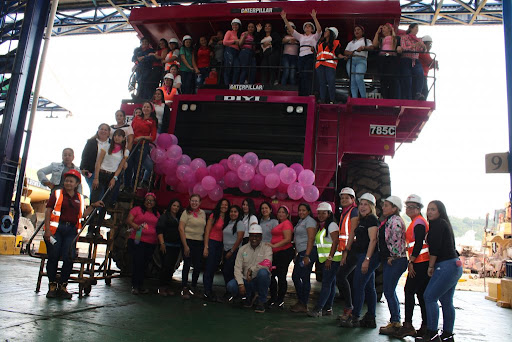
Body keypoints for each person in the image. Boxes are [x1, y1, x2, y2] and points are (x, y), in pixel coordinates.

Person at [44, 170, 104, 299]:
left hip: (71, 231)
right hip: (57, 230)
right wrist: (47, 230)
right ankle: (52, 285)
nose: (68, 183)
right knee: (53, 256)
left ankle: (63, 286)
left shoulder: (80, 198)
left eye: (71, 181)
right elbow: (48, 211)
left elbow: (82, 215)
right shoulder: (57, 194)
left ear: (77, 183)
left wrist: (93, 206)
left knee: (68, 257)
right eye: (66, 181)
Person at [420, 201, 462, 342]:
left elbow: (435, 249)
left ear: (440, 211)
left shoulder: (437, 225)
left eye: (433, 209)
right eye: (428, 209)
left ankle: (432, 334)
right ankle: (447, 335)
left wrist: (431, 267)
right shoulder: (444, 224)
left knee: (429, 297)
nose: (430, 212)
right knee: (445, 300)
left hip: (445, 266)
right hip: (454, 265)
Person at [340, 193, 380, 328]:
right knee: (369, 287)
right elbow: (353, 236)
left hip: (367, 256)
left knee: (358, 286)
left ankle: (355, 316)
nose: (362, 207)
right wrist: (347, 251)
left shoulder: (372, 220)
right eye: (361, 204)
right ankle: (371, 318)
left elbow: (373, 240)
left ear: (372, 206)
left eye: (366, 204)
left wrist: (367, 260)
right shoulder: (361, 220)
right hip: (361, 255)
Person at [394, 194, 430, 338]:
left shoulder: (419, 223)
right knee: (421, 294)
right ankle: (425, 326)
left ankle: (408, 325)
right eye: (407, 207)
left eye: (412, 207)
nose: (408, 209)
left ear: (419, 208)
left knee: (409, 291)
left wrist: (412, 261)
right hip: (421, 262)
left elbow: (419, 243)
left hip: (420, 263)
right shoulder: (416, 221)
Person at [89, 129, 129, 237]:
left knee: (105, 204)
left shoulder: (124, 151)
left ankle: (97, 229)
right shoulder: (106, 147)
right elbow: (98, 163)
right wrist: (96, 177)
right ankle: (90, 229)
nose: (117, 138)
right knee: (95, 200)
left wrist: (114, 178)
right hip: (101, 173)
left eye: (120, 136)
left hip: (111, 176)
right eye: (116, 135)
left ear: (123, 138)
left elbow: (121, 167)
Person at [378, 196, 408, 336]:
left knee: (389, 290)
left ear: (394, 208)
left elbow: (396, 239)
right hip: (395, 259)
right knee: (389, 290)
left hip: (396, 260)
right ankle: (395, 321)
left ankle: (395, 322)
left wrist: (394, 256)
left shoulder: (395, 221)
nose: (383, 207)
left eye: (386, 205)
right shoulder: (390, 220)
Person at [226, 224, 273, 313]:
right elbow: (237, 268)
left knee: (263, 273)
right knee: (231, 286)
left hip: (258, 280)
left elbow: (267, 263)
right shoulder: (242, 249)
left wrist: (252, 269)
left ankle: (261, 301)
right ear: (249, 237)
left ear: (261, 237)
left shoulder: (267, 248)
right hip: (246, 281)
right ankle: (247, 297)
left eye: (257, 236)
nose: (254, 238)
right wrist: (240, 284)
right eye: (252, 236)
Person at [307, 202, 341, 317]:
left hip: (332, 259)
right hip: (327, 259)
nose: (321, 215)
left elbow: (336, 241)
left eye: (324, 213)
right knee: (330, 283)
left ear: (329, 213)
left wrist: (330, 258)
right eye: (319, 213)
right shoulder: (323, 226)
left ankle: (318, 309)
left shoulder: (331, 225)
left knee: (326, 284)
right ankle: (328, 308)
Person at [281, 10, 321, 96]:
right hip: (301, 56)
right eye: (306, 26)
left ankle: (309, 93)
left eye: (309, 26)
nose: (307, 28)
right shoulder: (301, 36)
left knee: (307, 74)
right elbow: (291, 31)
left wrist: (314, 17)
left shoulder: (314, 37)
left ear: (312, 28)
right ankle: (302, 93)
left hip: (310, 56)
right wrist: (285, 19)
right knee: (301, 74)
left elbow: (319, 30)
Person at [126, 192, 160, 294]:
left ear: (154, 202)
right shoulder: (137, 210)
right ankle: (135, 286)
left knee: (145, 264)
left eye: (151, 200)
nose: (149, 202)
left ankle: (140, 285)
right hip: (138, 239)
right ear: (144, 201)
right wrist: (136, 226)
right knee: (137, 262)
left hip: (151, 242)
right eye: (147, 200)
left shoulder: (157, 214)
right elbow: (129, 220)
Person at [336, 187, 359, 322]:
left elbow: (353, 232)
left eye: (347, 197)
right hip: (349, 250)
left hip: (352, 250)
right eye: (342, 197)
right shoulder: (346, 212)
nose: (344, 199)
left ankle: (349, 307)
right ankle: (350, 308)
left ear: (353, 199)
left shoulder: (353, 212)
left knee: (341, 276)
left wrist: (345, 252)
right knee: (346, 278)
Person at [124, 101, 157, 191]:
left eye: (148, 107)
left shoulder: (152, 121)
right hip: (132, 144)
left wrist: (142, 137)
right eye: (144, 107)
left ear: (151, 109)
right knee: (128, 164)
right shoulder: (137, 118)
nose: (145, 109)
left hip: (142, 145)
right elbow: (131, 130)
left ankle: (134, 186)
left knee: (137, 166)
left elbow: (153, 137)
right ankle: (127, 186)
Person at [178, 194, 206, 299]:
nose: (194, 203)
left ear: (200, 202)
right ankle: (184, 287)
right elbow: (181, 228)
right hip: (188, 241)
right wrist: (185, 245)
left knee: (198, 266)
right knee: (187, 264)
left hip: (199, 242)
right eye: (192, 201)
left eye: (196, 201)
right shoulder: (186, 213)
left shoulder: (202, 213)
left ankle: (193, 286)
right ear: (189, 201)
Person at [290, 203, 317, 313]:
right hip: (301, 252)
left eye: (303, 210)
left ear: (308, 212)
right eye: (299, 210)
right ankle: (301, 301)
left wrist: (306, 255)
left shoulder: (309, 221)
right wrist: (297, 253)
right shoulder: (301, 221)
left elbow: (311, 238)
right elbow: (297, 238)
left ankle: (303, 303)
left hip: (307, 252)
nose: (301, 212)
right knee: (297, 276)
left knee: (302, 277)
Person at [203, 198, 230, 301]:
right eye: (222, 204)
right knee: (209, 268)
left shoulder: (227, 218)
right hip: (212, 242)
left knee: (214, 268)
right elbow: (207, 231)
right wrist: (206, 246)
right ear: (219, 205)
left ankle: (210, 290)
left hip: (220, 244)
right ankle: (207, 291)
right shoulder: (213, 215)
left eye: (226, 205)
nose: (224, 206)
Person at [268, 205, 294, 309]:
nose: (281, 214)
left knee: (281, 276)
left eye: (283, 212)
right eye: (279, 212)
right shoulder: (280, 223)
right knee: (272, 274)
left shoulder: (287, 224)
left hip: (284, 253)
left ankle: (280, 300)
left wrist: (274, 245)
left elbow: (287, 239)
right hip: (277, 253)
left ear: (287, 214)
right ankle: (274, 298)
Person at [156, 199, 182, 297]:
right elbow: (160, 230)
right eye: (174, 205)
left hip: (176, 246)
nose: (175, 208)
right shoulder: (164, 216)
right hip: (166, 245)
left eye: (177, 206)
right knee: (165, 266)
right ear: (170, 206)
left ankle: (167, 286)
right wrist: (162, 243)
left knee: (171, 267)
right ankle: (161, 287)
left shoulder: (179, 217)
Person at [344, 25, 374, 98]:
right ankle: (354, 98)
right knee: (352, 80)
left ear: (362, 32)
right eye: (355, 30)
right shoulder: (351, 42)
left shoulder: (367, 41)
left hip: (361, 59)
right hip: (351, 60)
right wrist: (351, 53)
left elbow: (372, 47)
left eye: (358, 30)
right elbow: (345, 51)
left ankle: (363, 98)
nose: (356, 31)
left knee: (359, 78)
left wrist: (363, 48)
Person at [222, 205, 245, 298]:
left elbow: (239, 238)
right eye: (231, 211)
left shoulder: (239, 223)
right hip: (226, 250)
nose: (233, 213)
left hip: (234, 252)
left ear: (238, 213)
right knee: (226, 272)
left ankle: (233, 293)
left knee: (231, 272)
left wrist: (231, 251)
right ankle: (229, 292)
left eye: (235, 212)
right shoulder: (228, 222)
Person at [398, 23, 426, 100]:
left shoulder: (419, 40)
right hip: (406, 59)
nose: (417, 29)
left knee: (420, 75)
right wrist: (414, 46)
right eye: (416, 27)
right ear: (411, 28)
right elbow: (403, 48)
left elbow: (422, 51)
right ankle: (407, 96)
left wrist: (423, 47)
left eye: (418, 28)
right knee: (408, 79)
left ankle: (418, 93)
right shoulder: (404, 37)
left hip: (415, 60)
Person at [315, 26, 343, 104]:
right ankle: (322, 99)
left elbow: (338, 54)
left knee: (331, 82)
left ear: (331, 33)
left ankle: (332, 100)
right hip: (320, 65)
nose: (325, 33)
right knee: (322, 83)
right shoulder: (320, 43)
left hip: (330, 66)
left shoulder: (335, 43)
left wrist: (343, 57)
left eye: (327, 31)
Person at [80, 123, 111, 192]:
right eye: (101, 129)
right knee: (95, 191)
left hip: (106, 171)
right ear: (98, 130)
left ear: (109, 132)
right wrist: (83, 168)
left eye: (105, 130)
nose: (103, 131)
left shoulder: (111, 144)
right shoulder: (91, 142)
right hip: (92, 171)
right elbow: (85, 156)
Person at [372, 23, 400, 99]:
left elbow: (395, 42)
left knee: (391, 77)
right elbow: (375, 44)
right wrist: (377, 33)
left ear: (389, 29)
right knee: (383, 78)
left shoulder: (393, 38)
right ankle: (385, 95)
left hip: (391, 57)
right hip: (382, 57)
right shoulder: (382, 39)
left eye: (384, 27)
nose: (383, 29)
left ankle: (391, 95)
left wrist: (392, 30)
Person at [418, 35, 438, 100]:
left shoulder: (424, 53)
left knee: (424, 92)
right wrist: (435, 63)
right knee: (424, 92)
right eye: (429, 44)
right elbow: (430, 62)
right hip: (422, 75)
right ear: (424, 44)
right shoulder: (423, 52)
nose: (430, 46)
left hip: (423, 75)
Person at [223, 18, 242, 84]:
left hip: (237, 52)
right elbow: (224, 42)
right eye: (233, 25)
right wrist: (234, 41)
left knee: (237, 68)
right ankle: (227, 85)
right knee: (228, 68)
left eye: (236, 25)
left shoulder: (239, 35)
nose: (235, 26)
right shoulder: (229, 32)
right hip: (229, 50)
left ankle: (233, 84)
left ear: (239, 26)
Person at [281, 21, 299, 86]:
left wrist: (295, 41)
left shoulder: (297, 37)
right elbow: (283, 41)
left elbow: (301, 41)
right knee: (286, 71)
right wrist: (290, 40)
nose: (289, 30)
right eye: (287, 28)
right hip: (286, 56)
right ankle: (283, 87)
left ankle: (292, 88)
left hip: (294, 56)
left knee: (292, 73)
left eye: (291, 28)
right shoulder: (285, 37)